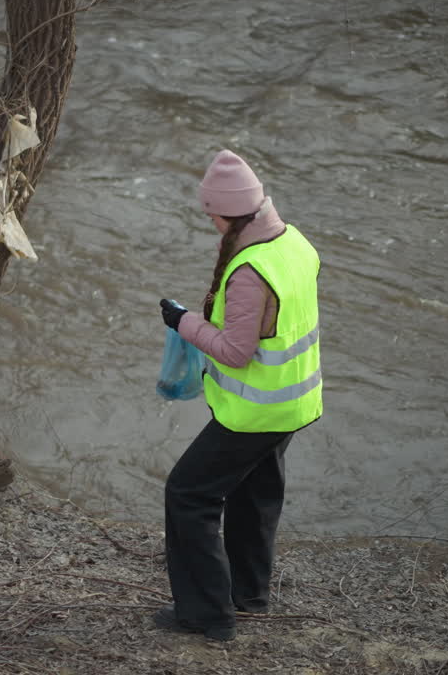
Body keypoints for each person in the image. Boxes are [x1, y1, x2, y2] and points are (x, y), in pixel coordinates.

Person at [154, 149, 323, 642]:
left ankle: (208, 616)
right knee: (255, 495)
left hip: (256, 409)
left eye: (211, 212)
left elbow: (234, 351)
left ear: (228, 212)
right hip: (295, 402)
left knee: (188, 495)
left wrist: (183, 322)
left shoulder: (249, 270)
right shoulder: (295, 244)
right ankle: (249, 599)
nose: (209, 219)